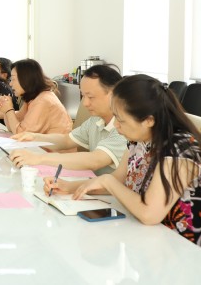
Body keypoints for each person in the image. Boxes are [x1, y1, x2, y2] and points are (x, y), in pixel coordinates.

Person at [44, 75, 201, 246]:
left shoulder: (180, 149)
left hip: (182, 246)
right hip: (147, 237)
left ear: (149, 120)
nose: (116, 126)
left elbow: (149, 214)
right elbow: (119, 181)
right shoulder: (139, 140)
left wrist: (107, 180)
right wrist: (69, 187)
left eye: (121, 120)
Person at [8, 65, 127, 174]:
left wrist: (39, 158)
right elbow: (66, 140)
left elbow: (95, 160)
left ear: (113, 94)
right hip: (92, 183)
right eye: (83, 96)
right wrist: (35, 137)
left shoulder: (124, 127)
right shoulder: (95, 120)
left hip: (107, 189)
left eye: (90, 97)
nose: (85, 103)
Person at [0, 59, 72, 134]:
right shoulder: (33, 98)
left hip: (52, 144)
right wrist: (5, 110)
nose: (10, 84)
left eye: (13, 79)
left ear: (26, 79)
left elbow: (21, 134)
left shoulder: (43, 100)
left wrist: (9, 110)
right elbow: (12, 128)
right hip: (40, 143)